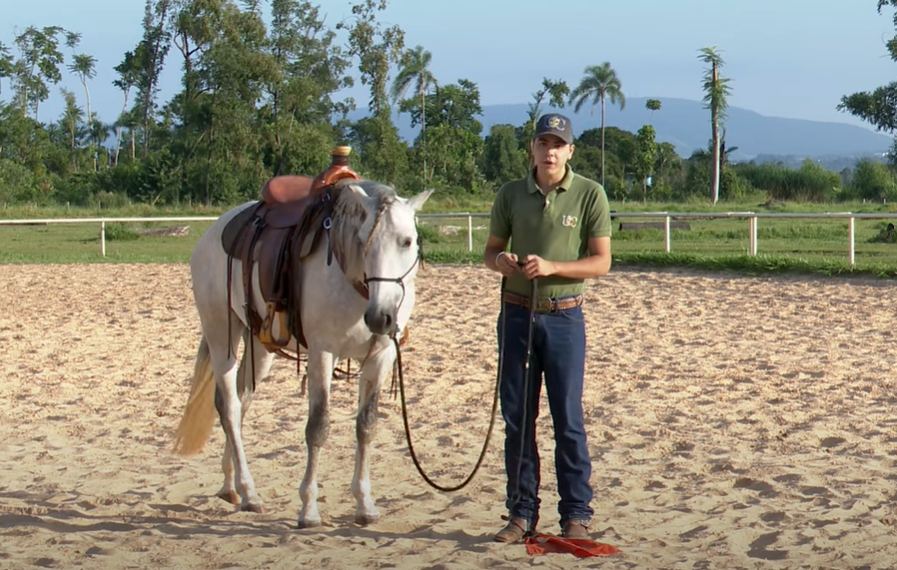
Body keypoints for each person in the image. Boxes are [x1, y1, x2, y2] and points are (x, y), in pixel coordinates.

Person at [483, 112, 612, 543]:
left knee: (568, 419)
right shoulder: (510, 194)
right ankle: (520, 514)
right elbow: (491, 251)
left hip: (564, 316)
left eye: (558, 144)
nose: (550, 150)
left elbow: (601, 261)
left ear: (570, 150)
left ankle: (576, 513)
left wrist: (554, 266)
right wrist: (500, 262)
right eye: (543, 142)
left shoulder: (590, 195)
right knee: (518, 419)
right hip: (516, 314)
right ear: (533, 149)